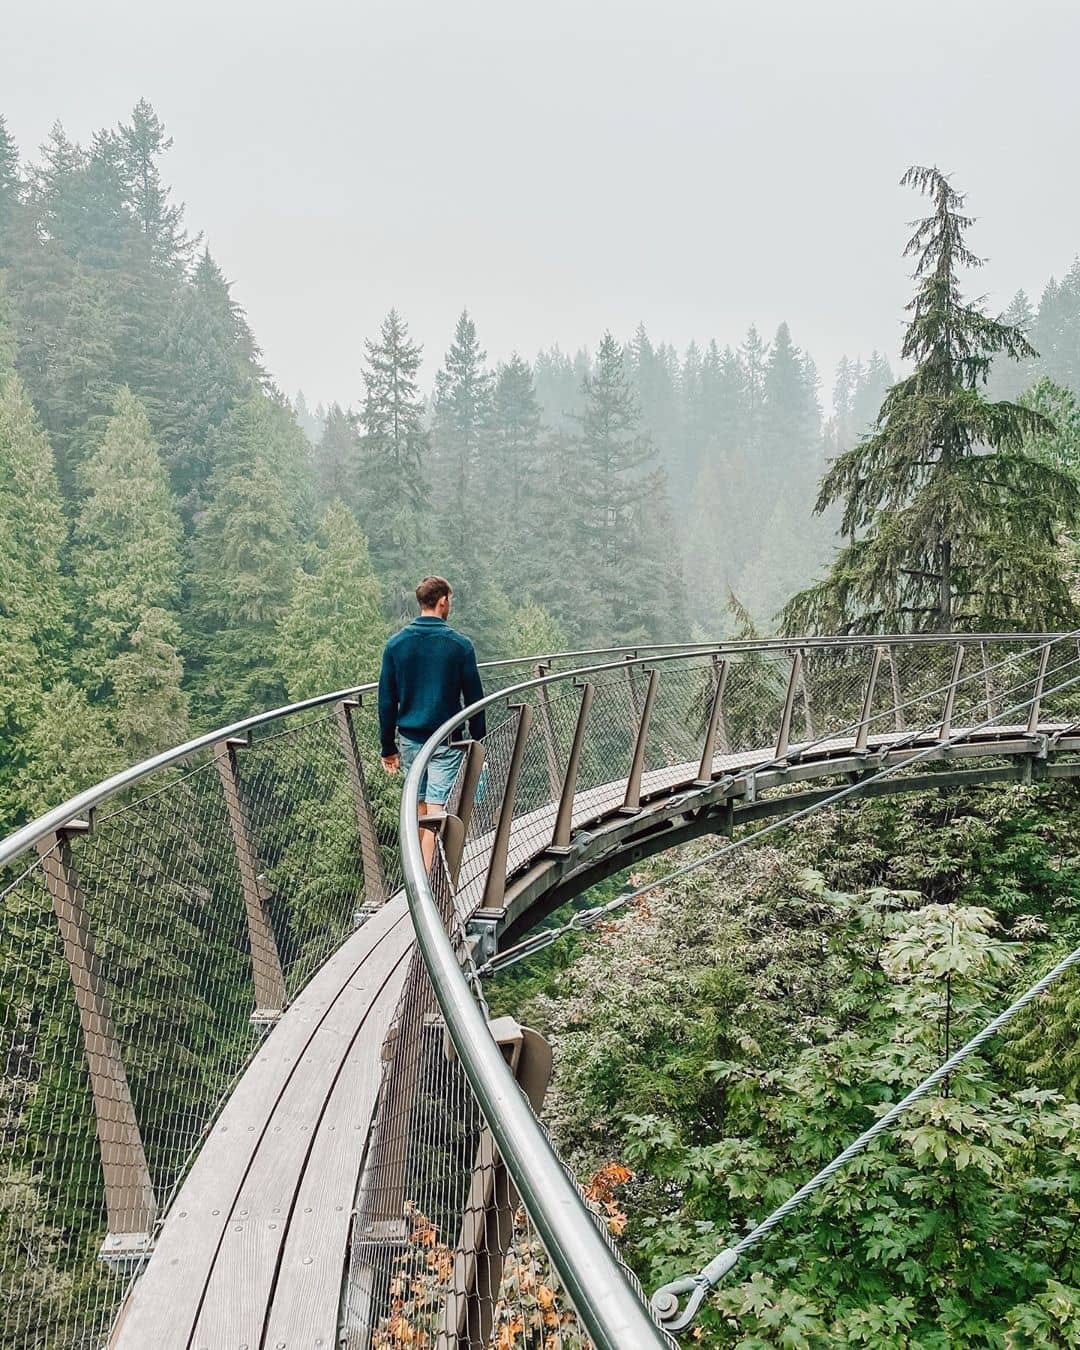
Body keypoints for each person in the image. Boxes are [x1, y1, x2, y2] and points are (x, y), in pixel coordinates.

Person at [378, 576, 486, 869]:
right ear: (442, 601)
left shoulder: (396, 645)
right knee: (437, 810)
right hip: (447, 739)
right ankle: (425, 882)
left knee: (421, 807)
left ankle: (419, 874)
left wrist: (388, 748)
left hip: (410, 740)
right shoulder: (459, 646)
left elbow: (387, 700)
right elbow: (474, 700)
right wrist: (479, 742)